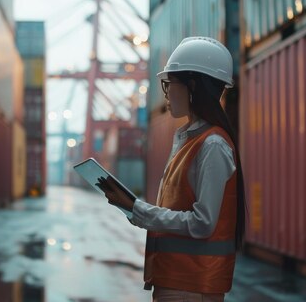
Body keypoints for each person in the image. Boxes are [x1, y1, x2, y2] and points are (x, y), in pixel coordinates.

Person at [96, 37, 246, 302]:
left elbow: (203, 224)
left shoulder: (212, 145)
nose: (165, 92)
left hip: (193, 286)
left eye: (169, 83)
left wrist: (139, 209)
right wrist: (132, 207)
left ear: (192, 86)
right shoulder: (191, 139)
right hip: (178, 282)